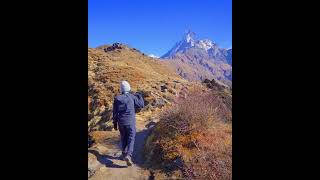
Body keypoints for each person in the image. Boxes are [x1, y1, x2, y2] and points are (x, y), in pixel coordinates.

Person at [112, 81, 144, 166]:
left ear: (121, 89)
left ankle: (123, 153)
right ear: (129, 88)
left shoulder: (117, 98)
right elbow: (141, 104)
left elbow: (114, 112)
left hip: (121, 122)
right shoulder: (132, 97)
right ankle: (128, 155)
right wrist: (139, 95)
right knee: (131, 137)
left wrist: (114, 123)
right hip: (130, 121)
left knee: (123, 137)